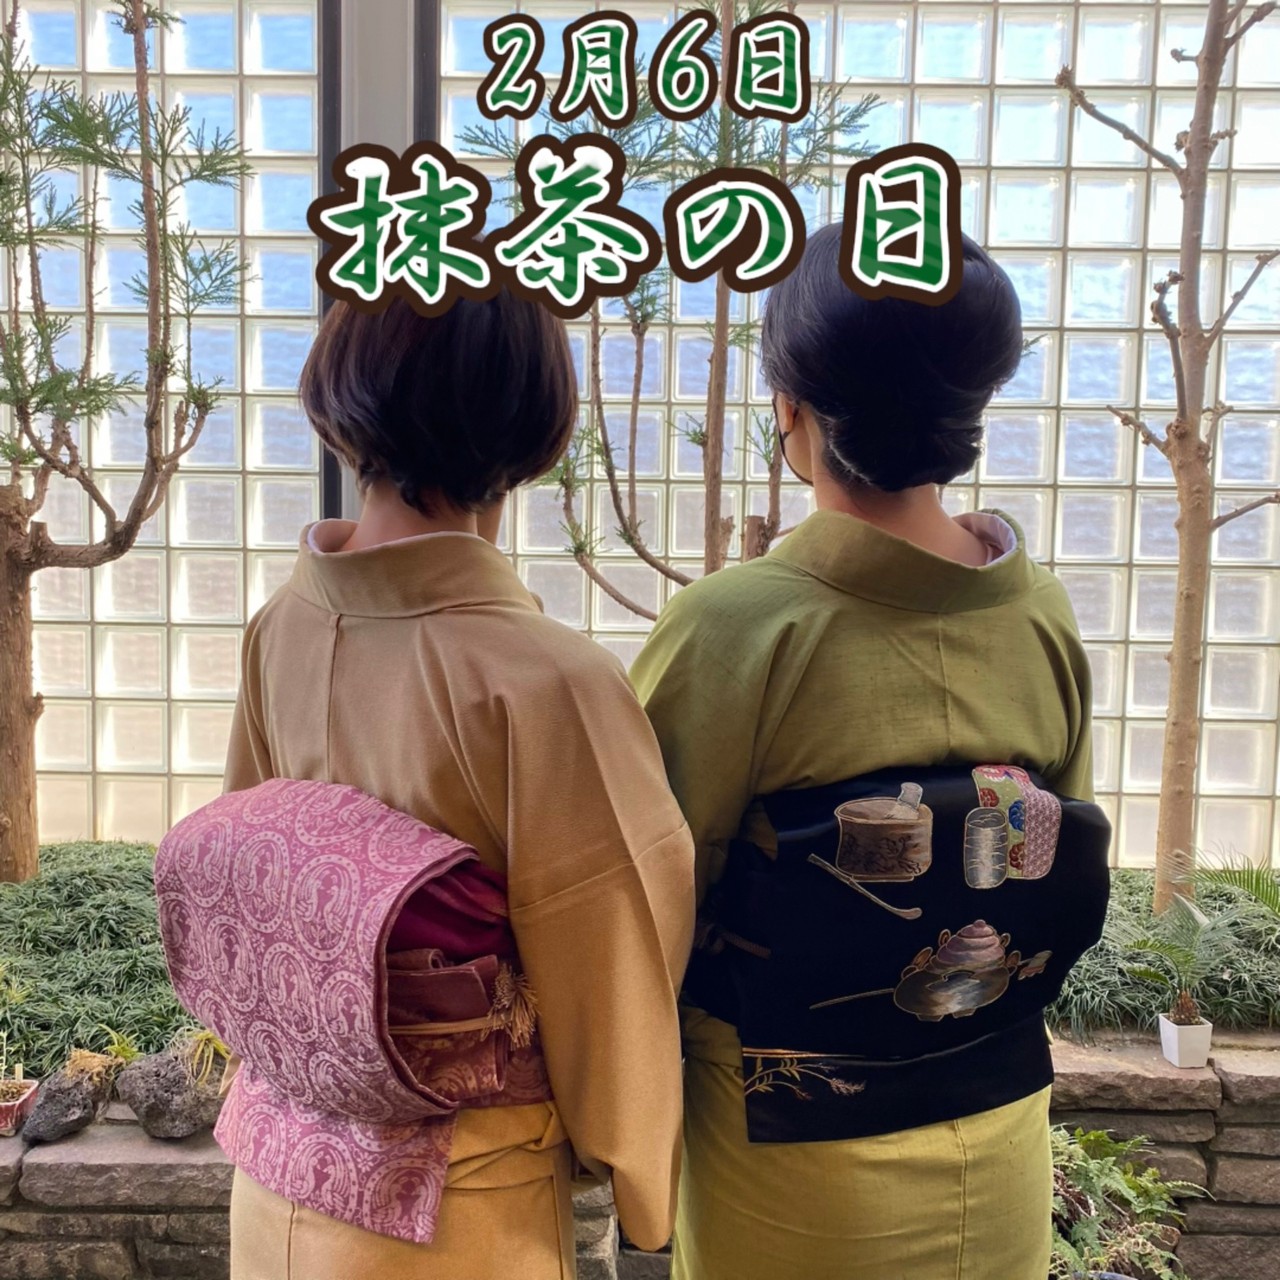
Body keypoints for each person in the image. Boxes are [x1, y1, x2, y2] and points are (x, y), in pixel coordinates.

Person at [630, 225, 1110, 1280]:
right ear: (969, 408)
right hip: (994, 1127)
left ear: (790, 407)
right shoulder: (1039, 613)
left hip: (791, 1158)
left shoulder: (734, 628)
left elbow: (641, 908)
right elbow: (1047, 861)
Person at [222, 293, 695, 1280]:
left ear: (339, 400)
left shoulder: (280, 627)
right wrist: (639, 1174)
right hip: (459, 1204)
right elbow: (613, 948)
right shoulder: (545, 681)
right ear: (530, 420)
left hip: (275, 1175)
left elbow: (254, 901)